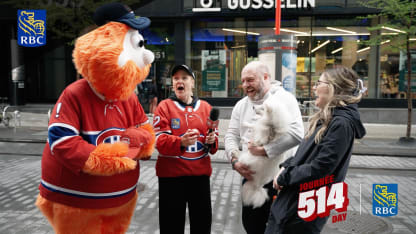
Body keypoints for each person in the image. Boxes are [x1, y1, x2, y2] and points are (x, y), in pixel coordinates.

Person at [265, 66, 367, 234]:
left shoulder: (341, 124)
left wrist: (285, 176)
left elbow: (322, 168)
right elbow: (303, 154)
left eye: (318, 83)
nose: (314, 87)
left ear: (334, 88)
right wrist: (286, 166)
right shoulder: (327, 118)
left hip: (304, 208)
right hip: (297, 202)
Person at [224, 61, 304, 234]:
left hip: (280, 178)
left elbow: (298, 134)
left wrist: (265, 150)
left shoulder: (285, 98)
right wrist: (234, 160)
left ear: (266, 77)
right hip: (251, 177)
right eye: (243, 81)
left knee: (279, 227)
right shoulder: (241, 105)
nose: (245, 85)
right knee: (251, 224)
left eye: (250, 80)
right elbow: (231, 136)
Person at [153, 64, 218, 234]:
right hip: (172, 179)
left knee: (202, 225)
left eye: (184, 78)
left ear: (193, 83)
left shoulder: (206, 107)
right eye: (176, 78)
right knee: (171, 226)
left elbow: (213, 144)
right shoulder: (164, 107)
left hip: (200, 178)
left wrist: (212, 140)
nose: (179, 81)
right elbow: (159, 142)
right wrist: (180, 142)